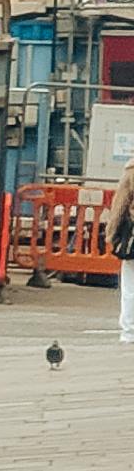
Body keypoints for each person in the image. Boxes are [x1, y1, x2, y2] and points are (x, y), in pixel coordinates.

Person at [108, 143, 134, 341]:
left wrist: (111, 234)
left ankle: (128, 333)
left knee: (130, 287)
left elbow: (119, 205)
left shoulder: (132, 171)